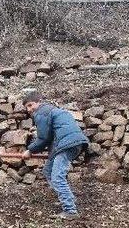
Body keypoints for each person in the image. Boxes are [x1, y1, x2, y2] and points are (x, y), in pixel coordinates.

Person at [22, 91, 89, 220]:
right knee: (48, 171)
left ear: (39, 102)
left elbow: (43, 138)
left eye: (31, 105)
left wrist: (30, 150)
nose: (29, 110)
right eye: (27, 108)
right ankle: (66, 198)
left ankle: (70, 210)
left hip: (66, 144)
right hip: (72, 143)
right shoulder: (52, 110)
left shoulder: (41, 112)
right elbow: (54, 136)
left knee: (57, 177)